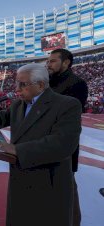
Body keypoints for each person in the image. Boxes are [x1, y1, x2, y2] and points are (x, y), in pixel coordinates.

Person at [0, 63, 82, 226]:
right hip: (20, 179)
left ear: (41, 85)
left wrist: (17, 149)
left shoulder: (67, 105)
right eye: (17, 83)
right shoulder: (18, 105)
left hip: (48, 183)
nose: (17, 89)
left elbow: (63, 143)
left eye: (22, 84)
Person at [47, 48, 88, 226]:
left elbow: (65, 114)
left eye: (53, 61)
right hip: (40, 145)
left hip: (62, 148)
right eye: (48, 61)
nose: (48, 64)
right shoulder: (46, 82)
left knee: (67, 192)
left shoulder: (78, 84)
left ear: (66, 63)